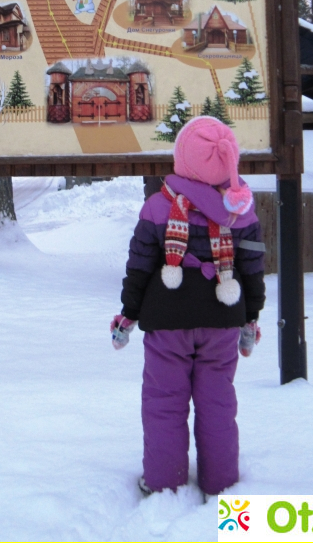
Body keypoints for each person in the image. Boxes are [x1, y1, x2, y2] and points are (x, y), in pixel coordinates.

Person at [110, 116, 266, 497]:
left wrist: (130, 310)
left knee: (164, 402)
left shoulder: (156, 208)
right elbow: (252, 268)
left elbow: (140, 266)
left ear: (183, 159)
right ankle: (221, 482)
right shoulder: (240, 212)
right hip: (222, 319)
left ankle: (164, 481)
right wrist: (251, 311)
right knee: (217, 403)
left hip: (167, 322)